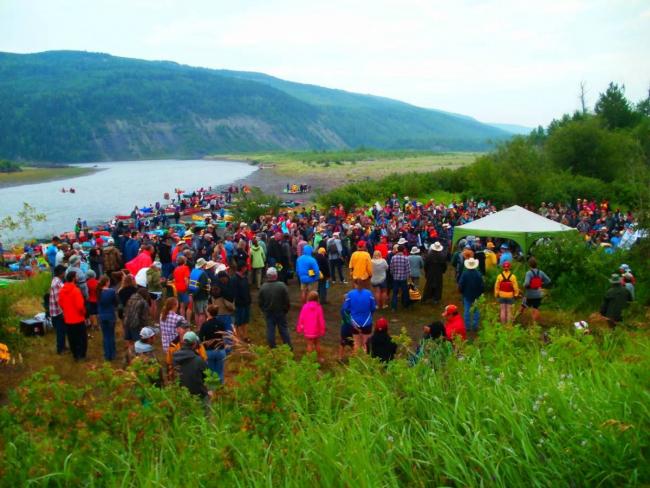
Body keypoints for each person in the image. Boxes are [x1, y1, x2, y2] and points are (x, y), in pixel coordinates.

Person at [258, 267, 292, 349]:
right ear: (276, 275)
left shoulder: (263, 287)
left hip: (269, 312)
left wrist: (264, 310)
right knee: (283, 330)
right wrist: (285, 309)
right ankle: (288, 347)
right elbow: (287, 300)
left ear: (267, 276)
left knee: (270, 330)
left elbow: (260, 302)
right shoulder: (282, 286)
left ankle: (272, 347)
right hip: (280, 312)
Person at [58, 271, 87, 361]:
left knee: (72, 338)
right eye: (76, 276)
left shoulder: (62, 290)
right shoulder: (76, 290)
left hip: (68, 319)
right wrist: (84, 313)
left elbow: (60, 303)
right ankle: (81, 355)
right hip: (78, 319)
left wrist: (66, 311)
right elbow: (80, 306)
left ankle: (75, 355)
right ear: (73, 278)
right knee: (81, 338)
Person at [342, 279, 377, 353]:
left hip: (355, 322)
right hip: (367, 321)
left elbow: (346, 308)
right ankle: (366, 361)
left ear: (355, 284)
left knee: (356, 343)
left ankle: (357, 361)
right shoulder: (369, 293)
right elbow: (373, 307)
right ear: (363, 284)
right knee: (366, 344)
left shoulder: (350, 294)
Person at [173, 331, 209, 400]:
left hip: (183, 396)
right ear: (195, 344)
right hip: (198, 397)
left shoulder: (175, 357)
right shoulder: (198, 360)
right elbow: (207, 377)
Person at [199, 305, 230, 384]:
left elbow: (200, 338)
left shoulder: (205, 325)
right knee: (220, 372)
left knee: (211, 373)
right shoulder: (221, 324)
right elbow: (225, 337)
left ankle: (212, 391)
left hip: (209, 351)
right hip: (220, 350)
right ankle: (221, 389)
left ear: (208, 313)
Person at [296, 290, 326, 361]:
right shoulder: (319, 307)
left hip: (308, 329)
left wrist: (299, 327)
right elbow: (321, 320)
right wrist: (322, 329)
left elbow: (301, 318)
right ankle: (319, 357)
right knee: (317, 344)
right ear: (317, 298)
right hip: (317, 330)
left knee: (309, 344)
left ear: (308, 297)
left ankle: (309, 360)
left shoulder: (305, 307)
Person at [124, 288, 151, 363]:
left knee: (130, 342)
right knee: (139, 343)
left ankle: (129, 358)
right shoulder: (143, 302)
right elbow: (144, 317)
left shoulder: (130, 299)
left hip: (127, 323)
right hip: (136, 325)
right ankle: (138, 360)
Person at [457, 258, 484, 333]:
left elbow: (461, 284)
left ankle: (467, 326)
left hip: (467, 295)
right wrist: (480, 293)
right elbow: (482, 285)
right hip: (476, 295)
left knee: (466, 311)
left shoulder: (465, 274)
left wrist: (462, 292)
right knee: (476, 311)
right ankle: (475, 326)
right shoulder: (478, 274)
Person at [521, 257, 551, 322]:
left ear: (529, 264)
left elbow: (526, 284)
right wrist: (541, 284)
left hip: (529, 294)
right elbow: (548, 280)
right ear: (536, 264)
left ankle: (515, 319)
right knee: (536, 308)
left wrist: (523, 285)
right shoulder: (541, 272)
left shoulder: (528, 273)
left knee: (522, 306)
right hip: (538, 294)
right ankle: (534, 325)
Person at [97, 275, 118, 361]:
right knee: (111, 335)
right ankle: (112, 354)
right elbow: (116, 302)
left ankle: (107, 355)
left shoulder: (98, 291)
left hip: (102, 316)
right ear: (106, 282)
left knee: (105, 336)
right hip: (110, 316)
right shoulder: (112, 291)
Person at [49, 264, 67, 355]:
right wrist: (62, 312)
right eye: (64, 272)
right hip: (57, 312)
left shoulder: (57, 281)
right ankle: (60, 349)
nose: (65, 273)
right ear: (61, 273)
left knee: (63, 330)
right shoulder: (57, 283)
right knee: (60, 331)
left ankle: (63, 346)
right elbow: (58, 299)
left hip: (57, 311)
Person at [232, 262, 252, 342]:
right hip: (239, 304)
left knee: (245, 320)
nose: (246, 269)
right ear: (242, 268)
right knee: (238, 321)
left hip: (246, 303)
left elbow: (247, 290)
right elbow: (234, 292)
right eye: (245, 267)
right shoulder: (234, 279)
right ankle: (237, 337)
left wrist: (249, 299)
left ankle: (245, 336)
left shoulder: (244, 278)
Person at [189, 258, 211, 328]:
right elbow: (202, 285)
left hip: (194, 295)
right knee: (202, 313)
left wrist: (192, 295)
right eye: (205, 264)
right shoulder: (203, 274)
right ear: (202, 265)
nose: (205, 265)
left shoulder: (193, 271)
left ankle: (197, 327)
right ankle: (201, 328)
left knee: (196, 313)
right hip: (202, 296)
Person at [389, 245, 411, 311]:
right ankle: (405, 306)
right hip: (403, 278)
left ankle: (393, 307)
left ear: (397, 250)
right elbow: (408, 269)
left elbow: (391, 268)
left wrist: (392, 274)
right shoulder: (406, 258)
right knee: (405, 292)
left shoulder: (393, 258)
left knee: (395, 293)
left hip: (395, 278)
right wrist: (408, 276)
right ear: (403, 250)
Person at [172, 255, 191, 322]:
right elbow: (186, 279)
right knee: (189, 306)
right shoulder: (186, 268)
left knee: (181, 305)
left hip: (178, 288)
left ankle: (182, 320)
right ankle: (187, 321)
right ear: (184, 261)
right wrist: (188, 288)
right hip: (184, 288)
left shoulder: (176, 269)